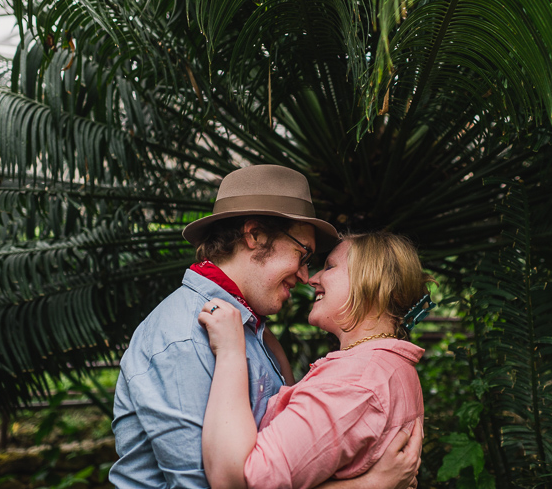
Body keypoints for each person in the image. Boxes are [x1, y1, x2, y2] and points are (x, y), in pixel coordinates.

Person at [110, 165, 421, 489]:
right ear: (255, 235)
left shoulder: (246, 327)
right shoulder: (186, 337)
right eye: (303, 254)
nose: (305, 276)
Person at [199, 231, 432, 489]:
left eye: (330, 267)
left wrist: (231, 352)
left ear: (372, 280)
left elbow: (242, 480)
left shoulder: (354, 383)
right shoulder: (395, 367)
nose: (312, 278)